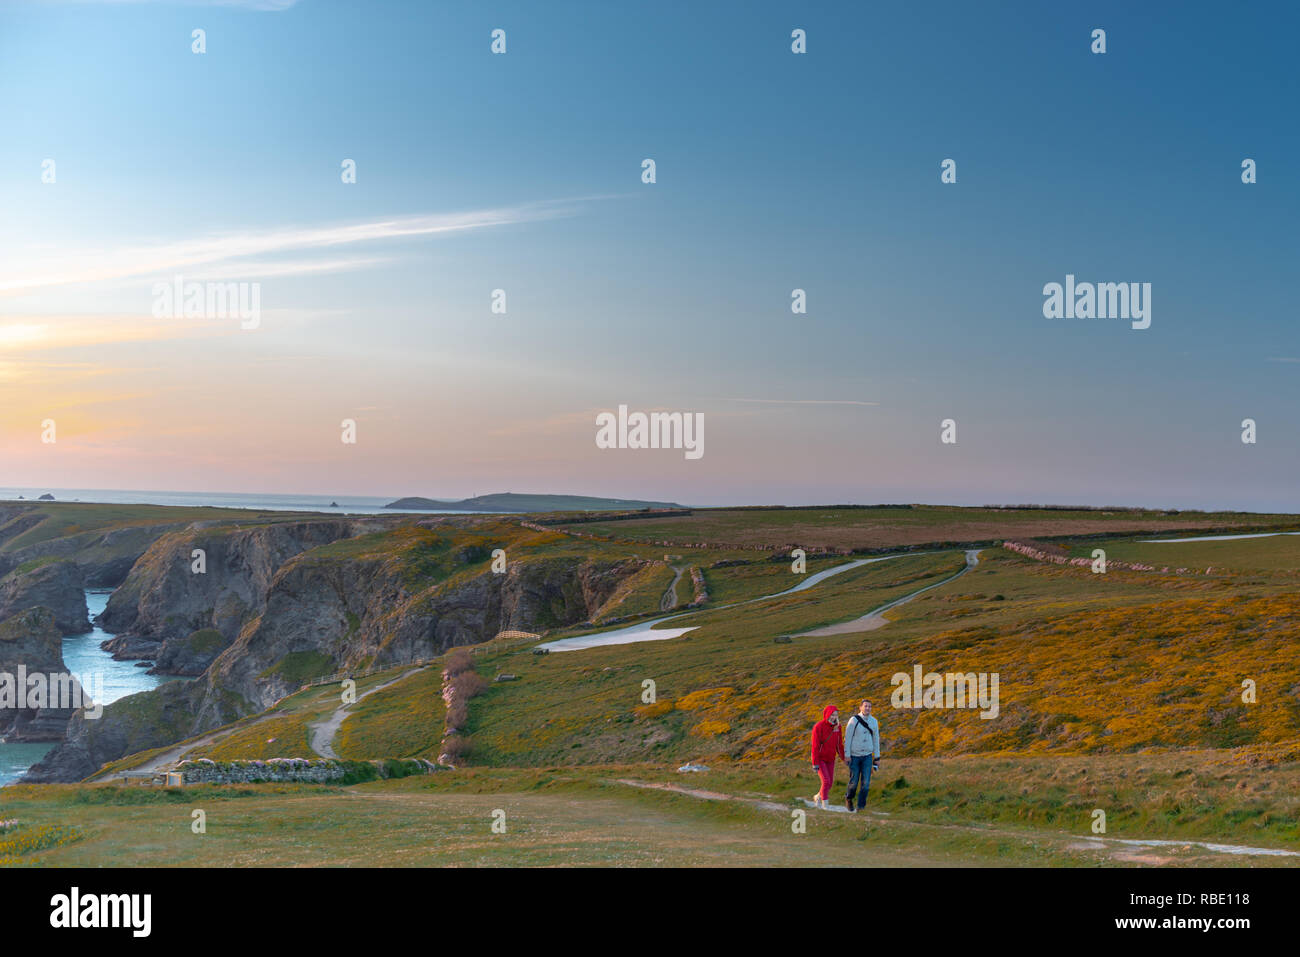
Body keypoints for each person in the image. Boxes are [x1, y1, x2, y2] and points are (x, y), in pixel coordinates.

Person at [842, 699, 881, 812]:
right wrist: (847, 755)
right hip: (854, 756)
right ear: (860, 707)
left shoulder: (874, 721)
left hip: (867, 757)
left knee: (866, 784)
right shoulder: (853, 720)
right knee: (853, 782)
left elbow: (876, 739)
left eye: (869, 706)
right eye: (865, 706)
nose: (867, 708)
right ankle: (848, 798)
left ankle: (861, 807)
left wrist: (877, 757)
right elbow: (848, 738)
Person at [809, 704, 845, 809]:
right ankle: (826, 807)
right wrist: (815, 763)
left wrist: (844, 758)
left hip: (831, 758)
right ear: (827, 715)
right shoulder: (818, 727)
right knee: (826, 781)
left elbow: (839, 745)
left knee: (830, 783)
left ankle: (817, 797)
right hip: (820, 759)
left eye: (836, 715)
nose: (834, 717)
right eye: (832, 715)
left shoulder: (838, 727)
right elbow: (815, 746)